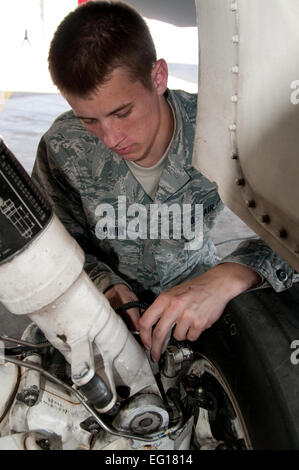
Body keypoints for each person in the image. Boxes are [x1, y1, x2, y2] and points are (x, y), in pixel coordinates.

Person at [32, 0, 295, 363]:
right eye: (89, 120)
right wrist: (102, 283)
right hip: (102, 316)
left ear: (158, 77)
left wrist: (234, 274)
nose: (110, 138)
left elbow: (291, 231)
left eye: (122, 112)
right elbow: (51, 245)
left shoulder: (222, 131)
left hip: (200, 304)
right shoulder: (63, 146)